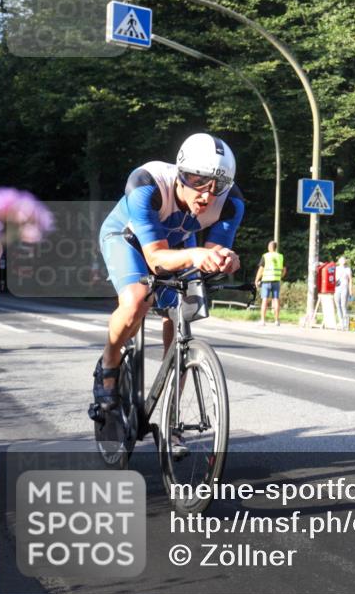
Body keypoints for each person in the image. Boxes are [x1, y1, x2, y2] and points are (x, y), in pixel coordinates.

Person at [90, 134, 244, 433]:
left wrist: (227, 259)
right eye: (199, 182)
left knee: (181, 316)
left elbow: (211, 256)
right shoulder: (147, 184)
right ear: (181, 174)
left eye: (218, 186)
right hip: (128, 240)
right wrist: (197, 254)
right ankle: (108, 365)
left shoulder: (232, 203)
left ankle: (170, 417)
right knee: (137, 299)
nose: (207, 196)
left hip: (179, 246)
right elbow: (157, 259)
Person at [254, 240, 286, 326]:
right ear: (275, 248)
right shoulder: (280, 256)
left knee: (265, 300)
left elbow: (261, 269)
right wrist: (280, 277)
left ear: (269, 247)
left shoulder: (266, 256)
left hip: (266, 281)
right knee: (276, 299)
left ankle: (263, 321)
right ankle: (276, 321)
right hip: (276, 280)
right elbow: (284, 270)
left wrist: (256, 280)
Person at [334, 256, 353, 330]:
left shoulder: (348, 269)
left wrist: (351, 291)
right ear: (339, 261)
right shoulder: (336, 268)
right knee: (337, 305)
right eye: (341, 260)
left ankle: (346, 323)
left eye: (343, 260)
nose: (342, 261)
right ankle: (341, 322)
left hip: (345, 287)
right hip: (337, 287)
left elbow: (350, 280)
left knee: (343, 305)